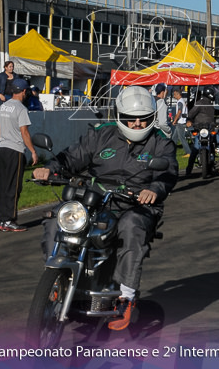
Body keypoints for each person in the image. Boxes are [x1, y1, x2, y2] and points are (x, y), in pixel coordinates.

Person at [33, 86, 177, 331]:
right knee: (59, 217)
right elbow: (70, 158)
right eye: (132, 118)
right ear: (120, 116)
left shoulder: (161, 143)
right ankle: (55, 279)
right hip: (97, 198)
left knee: (131, 227)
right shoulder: (100, 135)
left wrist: (154, 189)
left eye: (144, 118)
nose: (138, 123)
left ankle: (126, 297)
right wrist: (50, 168)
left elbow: (168, 172)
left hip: (137, 203)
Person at [0, 78, 38, 232]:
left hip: (2, 149)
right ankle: (9, 220)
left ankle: (3, 220)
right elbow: (24, 132)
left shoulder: (4, 106)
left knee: (3, 186)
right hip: (15, 151)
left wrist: (5, 140)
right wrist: (33, 151)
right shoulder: (21, 109)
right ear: (24, 91)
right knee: (14, 186)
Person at [185, 87, 219, 178]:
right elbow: (191, 114)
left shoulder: (210, 105)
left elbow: (214, 113)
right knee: (196, 148)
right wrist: (189, 120)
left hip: (210, 129)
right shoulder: (200, 103)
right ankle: (189, 169)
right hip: (200, 130)